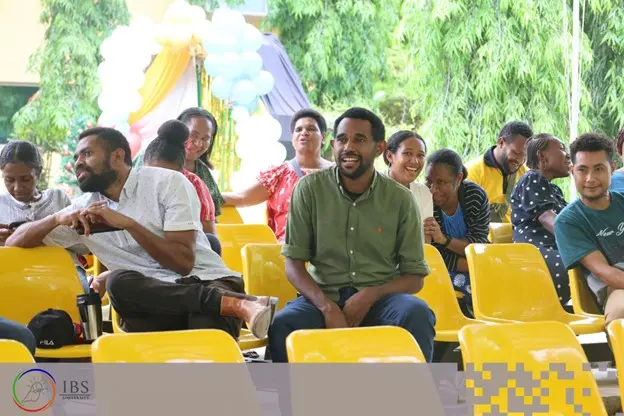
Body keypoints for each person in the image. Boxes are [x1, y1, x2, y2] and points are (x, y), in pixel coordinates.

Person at [6, 127, 276, 339]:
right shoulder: (82, 211)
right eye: (77, 157)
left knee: (204, 334)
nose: (78, 163)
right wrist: (56, 218)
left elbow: (182, 263)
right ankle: (239, 305)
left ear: (117, 156)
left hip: (208, 281)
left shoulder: (168, 183)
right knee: (119, 283)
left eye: (87, 154)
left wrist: (130, 224)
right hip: (153, 303)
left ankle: (230, 306)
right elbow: (15, 241)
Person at [267, 107, 436, 363]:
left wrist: (372, 294)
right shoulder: (309, 189)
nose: (348, 147)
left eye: (359, 140)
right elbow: (293, 265)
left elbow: (415, 278)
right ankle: (294, 393)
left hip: (381, 301)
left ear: (379, 148)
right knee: (284, 324)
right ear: (333, 145)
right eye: (342, 139)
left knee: (417, 313)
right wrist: (326, 306)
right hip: (321, 297)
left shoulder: (401, 200)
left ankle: (413, 390)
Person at [222, 109, 334, 243]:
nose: (304, 133)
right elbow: (241, 197)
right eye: (298, 130)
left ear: (323, 137)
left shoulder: (338, 174)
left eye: (311, 129)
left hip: (329, 250)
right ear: (293, 138)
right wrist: (204, 195)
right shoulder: (279, 174)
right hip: (286, 251)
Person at [0, 140, 90, 293]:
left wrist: (31, 237)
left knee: (80, 293)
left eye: (25, 179)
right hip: (14, 273)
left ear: (39, 173)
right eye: (9, 180)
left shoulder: (57, 198)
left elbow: (83, 246)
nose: (17, 187)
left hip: (63, 270)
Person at [554, 133, 624, 326]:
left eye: (599, 169)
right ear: (572, 171)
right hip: (614, 289)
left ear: (612, 169)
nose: (590, 179)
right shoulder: (568, 221)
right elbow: (603, 272)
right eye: (582, 170)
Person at [423, 149, 490, 317]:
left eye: (440, 182)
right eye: (429, 181)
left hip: (480, 261)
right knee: (477, 286)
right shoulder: (424, 200)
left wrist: (444, 240)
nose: (433, 189)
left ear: (458, 179)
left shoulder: (474, 196)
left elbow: (479, 245)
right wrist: (473, 265)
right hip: (446, 268)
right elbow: (435, 256)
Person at [143, 120, 221, 255]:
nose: (159, 181)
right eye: (153, 174)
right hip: (143, 251)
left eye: (168, 177)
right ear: (143, 166)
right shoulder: (134, 183)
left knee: (212, 241)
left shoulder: (194, 185)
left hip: (184, 252)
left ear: (181, 172)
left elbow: (208, 239)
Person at [511, 134, 572, 305]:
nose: (568, 155)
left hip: (552, 248)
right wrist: (579, 240)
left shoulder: (554, 189)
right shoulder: (531, 179)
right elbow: (547, 218)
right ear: (542, 156)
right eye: (561, 149)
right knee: (581, 266)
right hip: (535, 252)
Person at [134, 107, 225, 217]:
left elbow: (212, 211)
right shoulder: (150, 157)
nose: (198, 143)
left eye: (205, 138)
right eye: (193, 135)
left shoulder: (202, 172)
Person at [466, 121, 533, 223]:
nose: (519, 161)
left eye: (524, 156)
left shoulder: (527, 176)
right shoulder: (472, 172)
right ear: (501, 142)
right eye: (515, 152)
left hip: (515, 233)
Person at [382, 130, 434, 225]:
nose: (415, 161)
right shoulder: (371, 187)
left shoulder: (424, 193)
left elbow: (424, 233)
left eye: (420, 155)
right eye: (408, 153)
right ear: (389, 156)